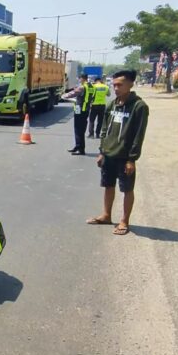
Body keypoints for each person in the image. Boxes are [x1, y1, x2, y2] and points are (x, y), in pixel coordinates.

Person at [87, 70, 149, 235]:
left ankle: (124, 221)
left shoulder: (139, 106)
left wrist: (132, 159)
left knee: (127, 189)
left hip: (125, 157)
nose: (116, 88)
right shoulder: (113, 104)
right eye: (114, 85)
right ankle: (106, 215)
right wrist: (102, 151)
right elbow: (105, 129)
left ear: (130, 84)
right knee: (108, 186)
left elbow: (138, 135)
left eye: (120, 84)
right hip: (109, 154)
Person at [62, 74, 93, 155]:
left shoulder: (82, 87)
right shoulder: (91, 87)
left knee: (78, 130)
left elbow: (73, 93)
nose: (79, 80)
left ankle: (80, 149)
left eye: (79, 78)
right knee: (81, 130)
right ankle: (78, 146)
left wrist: (63, 96)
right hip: (86, 110)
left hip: (80, 111)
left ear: (82, 78)